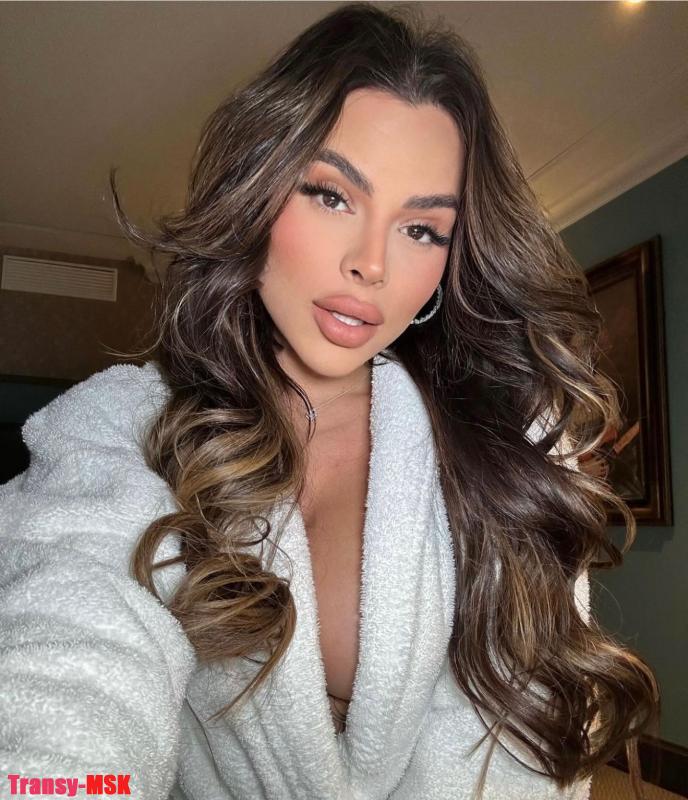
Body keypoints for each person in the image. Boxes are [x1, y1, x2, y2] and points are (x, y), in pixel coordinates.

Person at [0, 4, 660, 800]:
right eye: (331, 195)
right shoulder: (121, 426)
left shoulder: (505, 437)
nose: (371, 264)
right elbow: (71, 662)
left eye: (422, 230)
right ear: (257, 189)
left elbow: (509, 757)